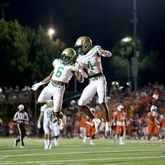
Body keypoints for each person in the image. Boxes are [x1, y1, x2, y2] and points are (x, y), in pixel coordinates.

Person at [74, 36, 112, 133]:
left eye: (80, 47)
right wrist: (78, 70)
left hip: (100, 78)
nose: (78, 49)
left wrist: (103, 53)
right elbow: (82, 79)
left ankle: (108, 125)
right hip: (92, 81)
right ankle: (95, 120)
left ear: (86, 45)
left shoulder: (95, 49)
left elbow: (109, 54)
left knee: (101, 101)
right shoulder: (79, 58)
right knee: (81, 103)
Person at [31, 48, 82, 119]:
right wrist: (39, 83)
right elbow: (50, 76)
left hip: (59, 89)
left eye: (67, 57)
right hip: (50, 85)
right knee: (39, 102)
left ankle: (62, 119)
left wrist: (80, 70)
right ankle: (51, 103)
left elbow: (80, 79)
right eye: (63, 56)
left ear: (72, 58)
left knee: (56, 113)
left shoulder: (72, 67)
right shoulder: (58, 62)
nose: (64, 59)